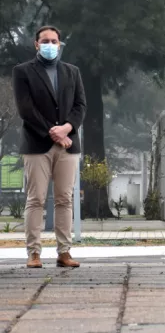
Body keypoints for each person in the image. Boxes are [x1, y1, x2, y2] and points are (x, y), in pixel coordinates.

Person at [12, 25, 86, 269]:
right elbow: (26, 109)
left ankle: (64, 252)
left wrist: (67, 128)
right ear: (36, 44)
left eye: (54, 41)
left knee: (64, 198)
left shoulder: (72, 72)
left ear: (60, 44)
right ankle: (34, 253)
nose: (50, 45)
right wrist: (51, 132)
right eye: (45, 41)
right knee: (36, 199)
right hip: (36, 145)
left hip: (68, 144)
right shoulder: (22, 71)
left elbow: (80, 106)